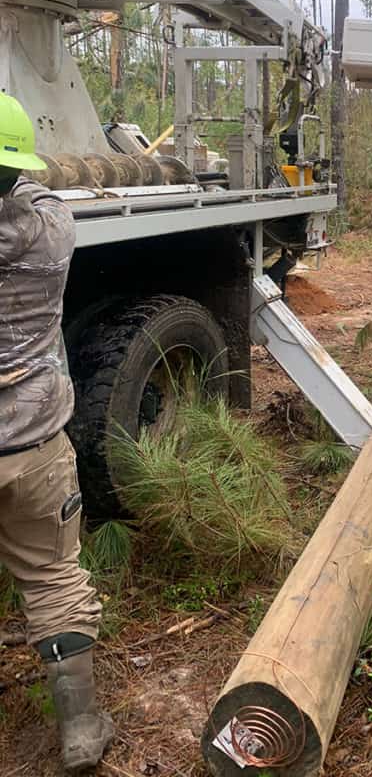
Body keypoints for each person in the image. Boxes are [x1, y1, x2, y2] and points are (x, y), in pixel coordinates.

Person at [0, 93, 112, 773]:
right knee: (51, 578)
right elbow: (39, 188)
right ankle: (81, 729)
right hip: (34, 443)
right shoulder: (52, 227)